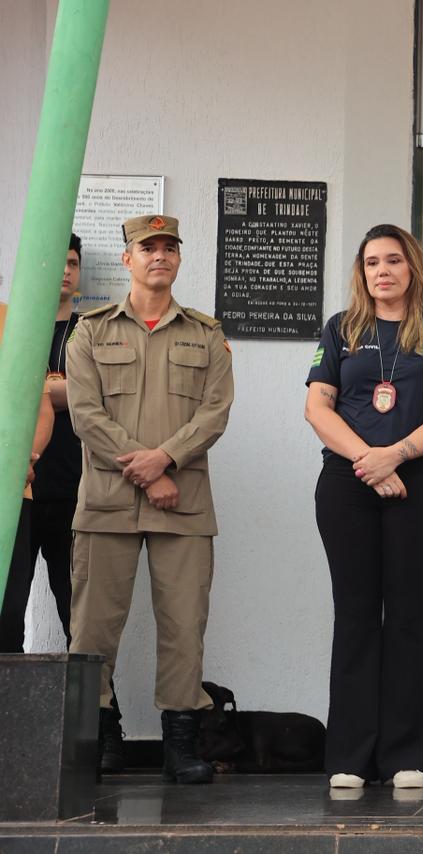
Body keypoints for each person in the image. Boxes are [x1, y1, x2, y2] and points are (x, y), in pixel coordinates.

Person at [66, 214, 234, 784]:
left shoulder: (206, 335)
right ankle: (93, 739)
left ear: (179, 259)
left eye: (169, 248)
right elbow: (85, 414)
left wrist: (165, 460)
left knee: (184, 627)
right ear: (128, 259)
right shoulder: (90, 332)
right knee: (92, 629)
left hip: (182, 501)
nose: (159, 255)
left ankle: (179, 745)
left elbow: (215, 412)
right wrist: (145, 470)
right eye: (147, 248)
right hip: (108, 501)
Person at [305, 223, 423, 790]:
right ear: (362, 272)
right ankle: (350, 755)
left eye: (393, 260)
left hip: (417, 481)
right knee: (354, 615)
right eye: (372, 262)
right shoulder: (341, 328)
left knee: (409, 618)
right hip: (348, 481)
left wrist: (394, 455)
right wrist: (368, 461)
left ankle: (407, 755)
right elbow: (317, 408)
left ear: (411, 267)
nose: (382, 271)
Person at [24, 233, 85, 644]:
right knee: (9, 609)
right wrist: (59, 391)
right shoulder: (19, 328)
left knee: (78, 614)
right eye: (58, 261)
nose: (65, 270)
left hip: (72, 490)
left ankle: (97, 691)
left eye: (73, 263)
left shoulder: (90, 331)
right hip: (22, 491)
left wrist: (35, 391)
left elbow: (92, 395)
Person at [0, 301, 55, 653]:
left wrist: (25, 458)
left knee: (7, 618)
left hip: (11, 493)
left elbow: (43, 410)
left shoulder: (15, 318)